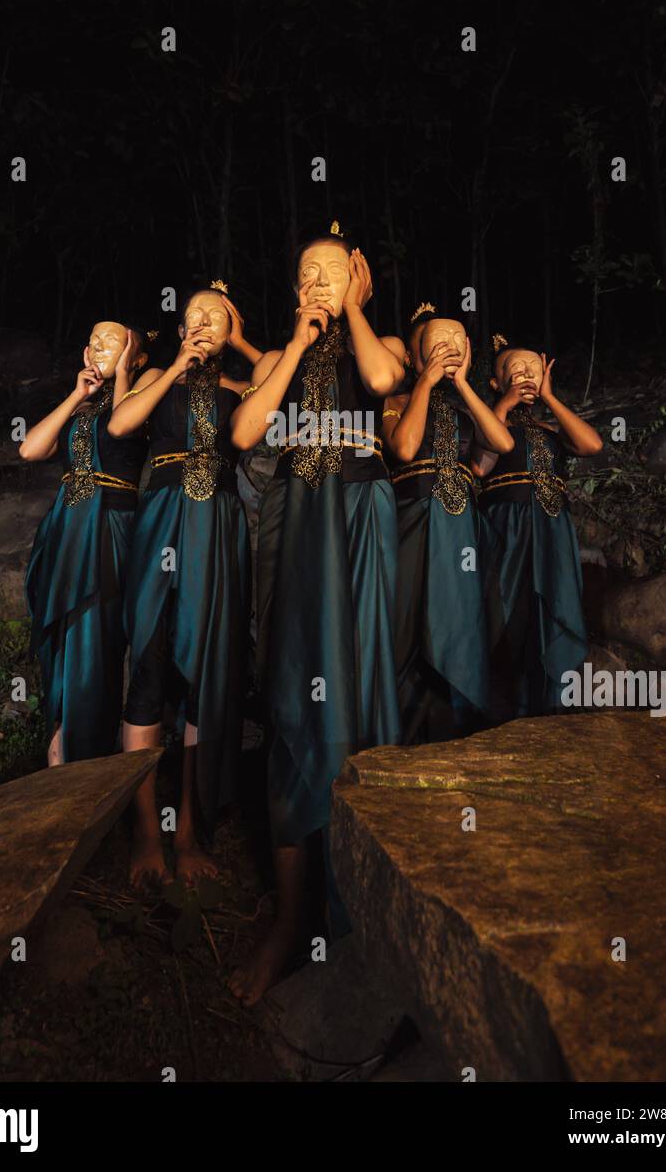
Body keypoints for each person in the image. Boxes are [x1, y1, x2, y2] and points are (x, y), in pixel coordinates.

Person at [228, 222, 405, 1006]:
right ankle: (291, 924)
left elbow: (381, 386)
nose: (321, 283)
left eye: (335, 273)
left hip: (360, 516)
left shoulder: (383, 342)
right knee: (296, 695)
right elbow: (243, 431)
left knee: (362, 687)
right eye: (309, 273)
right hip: (298, 517)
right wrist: (296, 346)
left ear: (358, 282)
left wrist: (360, 312)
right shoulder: (277, 357)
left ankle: (367, 917)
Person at [110, 284, 256, 888]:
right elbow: (120, 424)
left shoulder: (244, 390)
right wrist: (175, 367)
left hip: (218, 524)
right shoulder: (160, 381)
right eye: (191, 314)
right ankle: (146, 832)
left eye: (214, 317)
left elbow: (279, 390)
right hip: (163, 514)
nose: (200, 322)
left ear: (232, 328)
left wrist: (243, 343)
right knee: (148, 659)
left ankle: (190, 832)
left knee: (206, 669)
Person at [22, 322, 149, 763]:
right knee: (62, 633)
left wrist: (126, 372)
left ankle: (89, 753)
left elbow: (120, 428)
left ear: (135, 353)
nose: (97, 345)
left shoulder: (141, 398)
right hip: (67, 523)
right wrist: (77, 394)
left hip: (110, 523)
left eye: (112, 340)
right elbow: (30, 450)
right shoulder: (81, 403)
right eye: (92, 338)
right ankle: (60, 746)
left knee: (98, 632)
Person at [383, 313, 514, 742]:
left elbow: (501, 445)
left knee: (461, 621)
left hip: (460, 528)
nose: (449, 346)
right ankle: (402, 735)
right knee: (409, 621)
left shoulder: (464, 409)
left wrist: (462, 384)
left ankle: (457, 729)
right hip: (412, 521)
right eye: (439, 342)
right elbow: (402, 447)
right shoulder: (397, 401)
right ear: (417, 359)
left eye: (459, 340)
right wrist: (424, 382)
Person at [474, 335, 603, 717]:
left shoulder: (551, 426)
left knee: (557, 601)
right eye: (517, 369)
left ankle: (553, 703)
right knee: (507, 608)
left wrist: (550, 397)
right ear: (496, 382)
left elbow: (592, 445)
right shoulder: (489, 418)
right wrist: (505, 405)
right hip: (506, 525)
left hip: (552, 526)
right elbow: (481, 465)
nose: (527, 374)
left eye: (534, 368)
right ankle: (505, 708)